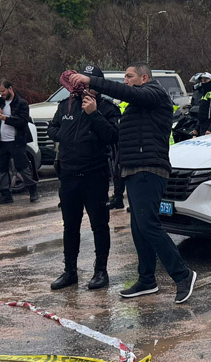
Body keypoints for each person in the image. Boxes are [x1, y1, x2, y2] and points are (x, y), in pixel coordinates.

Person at [64, 63, 198, 304]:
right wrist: (94, 113)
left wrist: (91, 81)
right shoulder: (137, 106)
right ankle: (147, 280)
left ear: (144, 77)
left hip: (149, 168)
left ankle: (183, 275)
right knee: (139, 228)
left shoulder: (155, 93)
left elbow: (127, 93)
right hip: (133, 170)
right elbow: (115, 136)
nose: (125, 81)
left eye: (129, 76)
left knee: (148, 225)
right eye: (124, 77)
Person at [47, 67, 120, 290]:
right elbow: (52, 128)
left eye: (88, 83)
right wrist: (65, 136)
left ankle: (101, 271)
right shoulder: (66, 105)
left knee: (99, 225)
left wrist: (94, 113)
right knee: (70, 226)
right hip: (68, 176)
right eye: (80, 83)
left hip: (94, 176)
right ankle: (70, 271)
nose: (83, 87)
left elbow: (112, 136)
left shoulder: (107, 108)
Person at [0, 80, 39, 205]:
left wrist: (5, 118)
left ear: (10, 88)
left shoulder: (21, 103)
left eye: (3, 91)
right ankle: (5, 194)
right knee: (1, 168)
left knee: (22, 166)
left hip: (16, 141)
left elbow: (22, 121)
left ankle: (33, 189)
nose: (1, 94)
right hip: (1, 141)